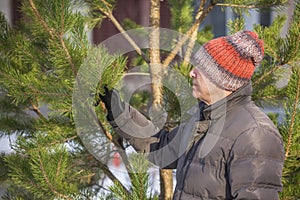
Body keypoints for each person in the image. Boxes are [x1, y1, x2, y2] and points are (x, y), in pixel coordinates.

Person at [98, 30, 285, 199]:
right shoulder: (203, 117)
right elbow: (161, 148)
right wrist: (116, 107)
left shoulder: (255, 134)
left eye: (201, 69)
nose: (191, 73)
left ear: (221, 79)